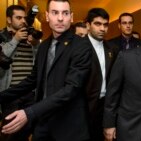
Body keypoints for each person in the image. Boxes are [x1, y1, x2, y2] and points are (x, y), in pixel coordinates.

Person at [0, 0, 91, 141]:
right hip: (43, 125)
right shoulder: (43, 46)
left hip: (68, 126)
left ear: (71, 17)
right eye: (55, 12)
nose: (60, 18)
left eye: (65, 13)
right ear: (47, 16)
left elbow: (71, 89)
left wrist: (29, 113)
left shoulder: (82, 45)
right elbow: (32, 80)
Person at [0, 5, 37, 141]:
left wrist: (35, 44)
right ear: (9, 19)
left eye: (24, 18)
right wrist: (15, 39)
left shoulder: (29, 37)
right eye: (18, 17)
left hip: (30, 93)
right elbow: (3, 58)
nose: (23, 21)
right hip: (11, 94)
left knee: (27, 131)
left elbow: (40, 62)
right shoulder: (2, 36)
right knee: (9, 133)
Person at [84, 8, 118, 141]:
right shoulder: (78, 47)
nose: (102, 28)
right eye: (98, 24)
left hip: (105, 106)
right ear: (88, 25)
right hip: (83, 107)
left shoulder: (113, 49)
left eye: (105, 24)